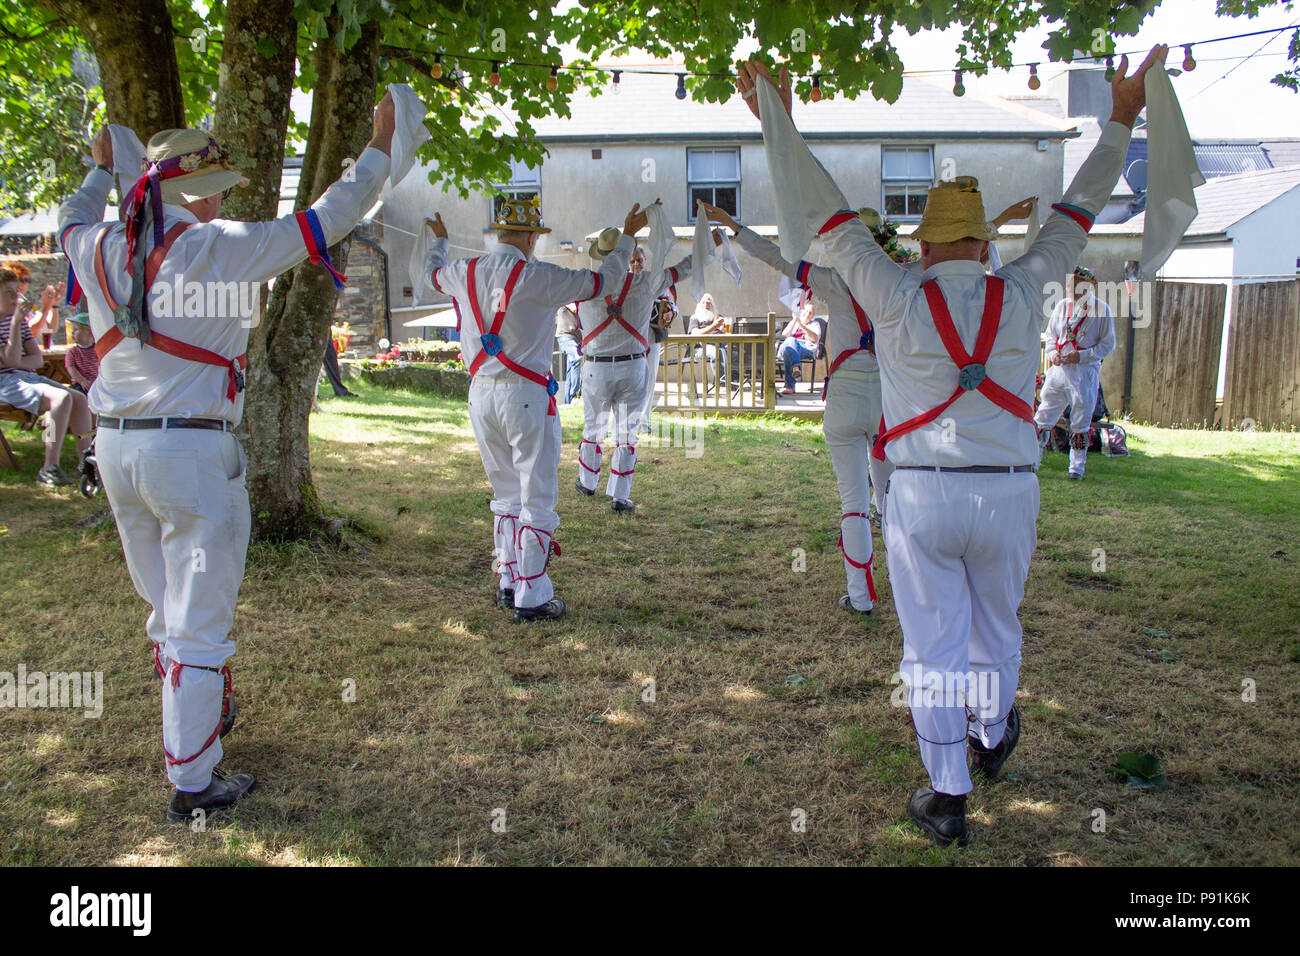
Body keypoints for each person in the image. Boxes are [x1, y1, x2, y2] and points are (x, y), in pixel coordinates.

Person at [737, 45, 1165, 846]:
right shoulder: (1030, 282)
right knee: (997, 626)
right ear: (981, 247)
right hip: (1008, 487)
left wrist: (779, 121)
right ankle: (994, 733)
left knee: (931, 641)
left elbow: (826, 209)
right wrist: (1121, 119)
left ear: (927, 247)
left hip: (923, 491)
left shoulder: (891, 287)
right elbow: (1080, 205)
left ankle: (947, 793)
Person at [57, 93, 398, 824]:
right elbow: (330, 218)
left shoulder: (97, 246)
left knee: (166, 607)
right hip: (190, 454)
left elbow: (68, 221)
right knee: (200, 618)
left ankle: (198, 717)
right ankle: (193, 779)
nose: (219, 203)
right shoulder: (219, 248)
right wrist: (380, 147)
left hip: (115, 450)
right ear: (201, 195)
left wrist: (97, 173)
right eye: (215, 192)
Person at [426, 197, 648, 621]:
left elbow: (429, 275)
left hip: (480, 394)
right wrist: (627, 238)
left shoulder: (462, 271)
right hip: (525, 395)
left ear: (499, 234)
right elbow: (603, 283)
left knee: (505, 493)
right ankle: (532, 594)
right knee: (537, 495)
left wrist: (439, 242)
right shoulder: (537, 276)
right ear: (531, 237)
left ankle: (509, 578)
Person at [702, 200, 909, 613]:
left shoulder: (833, 280)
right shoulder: (905, 281)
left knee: (854, 503)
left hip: (847, 394)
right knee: (891, 498)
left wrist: (734, 226)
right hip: (889, 396)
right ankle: (908, 590)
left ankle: (861, 597)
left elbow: (777, 258)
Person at [574, 220, 699, 513]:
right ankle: (619, 496)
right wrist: (710, 246)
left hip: (596, 367)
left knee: (593, 428)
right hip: (632, 367)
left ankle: (587, 482)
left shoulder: (585, 284)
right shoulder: (646, 282)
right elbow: (684, 268)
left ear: (602, 255)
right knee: (627, 434)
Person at [1, 268, 94, 486]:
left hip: (28, 378)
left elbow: (37, 360)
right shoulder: (15, 322)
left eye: (17, 291)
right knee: (60, 399)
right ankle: (49, 466)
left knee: (79, 398)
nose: (16, 297)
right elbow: (13, 358)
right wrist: (14, 325)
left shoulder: (21, 322)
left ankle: (86, 463)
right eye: (9, 293)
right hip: (5, 383)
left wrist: (15, 360)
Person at [1034, 265, 1116, 479]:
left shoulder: (1101, 310)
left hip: (1083, 374)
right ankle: (1033, 460)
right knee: (1044, 415)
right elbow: (1051, 336)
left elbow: (1108, 345)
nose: (1073, 289)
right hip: (1059, 371)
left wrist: (1083, 356)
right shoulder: (1061, 307)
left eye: (1079, 285)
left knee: (1080, 421)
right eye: (1071, 284)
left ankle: (1076, 469)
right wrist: (1053, 354)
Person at [638, 294, 679, 435]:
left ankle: (643, 422)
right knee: (629, 379)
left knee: (649, 380)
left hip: (653, 338)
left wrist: (671, 313)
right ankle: (624, 422)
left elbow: (673, 307)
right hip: (631, 337)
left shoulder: (665, 283)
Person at [777, 300, 821, 395]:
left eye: (810, 313)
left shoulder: (815, 324)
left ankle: (790, 386)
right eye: (806, 311)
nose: (807, 314)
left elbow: (814, 338)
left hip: (806, 347)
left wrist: (802, 326)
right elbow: (784, 335)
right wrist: (794, 321)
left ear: (813, 316)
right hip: (790, 346)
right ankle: (796, 368)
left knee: (789, 346)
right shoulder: (795, 322)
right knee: (789, 345)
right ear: (802, 312)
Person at [687, 291, 728, 385]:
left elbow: (726, 332)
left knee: (736, 353)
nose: (706, 305)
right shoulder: (695, 318)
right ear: (699, 305)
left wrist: (723, 330)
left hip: (721, 344)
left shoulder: (717, 317)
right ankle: (722, 383)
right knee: (715, 352)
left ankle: (734, 381)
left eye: (709, 303)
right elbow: (695, 334)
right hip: (701, 347)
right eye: (703, 302)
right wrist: (714, 326)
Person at [64, 311, 100, 394]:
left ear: (90, 332)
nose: (72, 333)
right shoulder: (73, 352)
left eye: (76, 330)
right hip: (81, 384)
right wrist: (82, 381)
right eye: (72, 330)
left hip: (98, 382)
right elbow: (71, 368)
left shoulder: (98, 349)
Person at [555, 306, 583, 406]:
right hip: (565, 337)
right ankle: (574, 395)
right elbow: (574, 307)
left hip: (575, 338)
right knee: (577, 359)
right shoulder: (566, 301)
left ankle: (568, 402)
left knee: (570, 369)